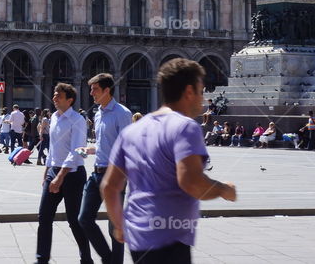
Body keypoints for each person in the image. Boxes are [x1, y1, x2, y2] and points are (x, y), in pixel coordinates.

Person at [101, 58, 236, 263]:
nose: (202, 98)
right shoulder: (185, 127)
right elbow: (191, 182)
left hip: (138, 238)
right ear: (189, 92)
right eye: (201, 91)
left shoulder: (132, 130)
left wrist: (119, 226)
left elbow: (109, 187)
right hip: (169, 240)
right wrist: (224, 189)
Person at [75, 72, 132, 264]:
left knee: (114, 225)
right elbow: (103, 143)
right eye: (91, 89)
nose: (91, 93)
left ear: (107, 90)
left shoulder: (122, 113)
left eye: (95, 89)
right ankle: (108, 259)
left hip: (115, 174)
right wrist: (88, 150)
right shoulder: (98, 113)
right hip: (97, 172)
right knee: (84, 218)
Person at [35, 83, 91, 264]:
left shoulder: (78, 120)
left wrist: (61, 177)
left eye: (58, 95)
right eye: (54, 95)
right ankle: (42, 258)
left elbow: (77, 151)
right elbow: (53, 148)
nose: (54, 98)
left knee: (74, 220)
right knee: (44, 216)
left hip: (73, 174)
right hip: (54, 170)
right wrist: (47, 172)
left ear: (70, 100)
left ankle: (86, 258)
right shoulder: (54, 118)